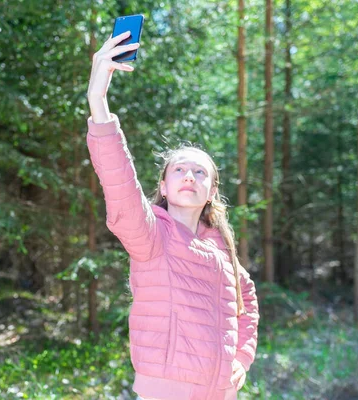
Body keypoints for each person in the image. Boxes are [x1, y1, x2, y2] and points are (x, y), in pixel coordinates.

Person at [86, 31, 260, 400]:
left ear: (212, 191)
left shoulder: (221, 250)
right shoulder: (150, 236)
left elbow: (247, 302)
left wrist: (242, 360)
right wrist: (97, 101)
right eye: (179, 170)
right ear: (163, 187)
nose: (189, 176)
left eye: (201, 173)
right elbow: (119, 181)